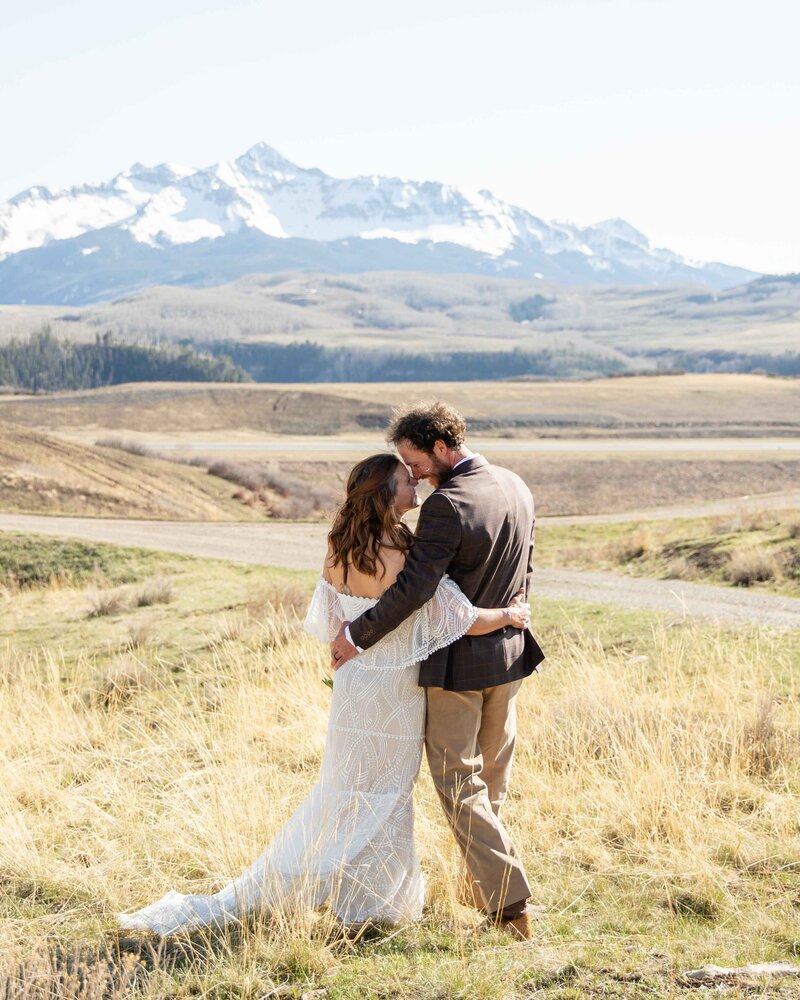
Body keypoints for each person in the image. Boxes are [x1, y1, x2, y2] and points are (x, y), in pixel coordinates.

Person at [118, 453, 530, 936]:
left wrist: (351, 653)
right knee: (389, 792)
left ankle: (350, 890)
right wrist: (508, 617)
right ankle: (372, 900)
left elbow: (331, 625)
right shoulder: (402, 549)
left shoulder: (339, 545)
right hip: (394, 689)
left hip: (354, 686)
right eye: (404, 480)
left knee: (347, 787)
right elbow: (453, 614)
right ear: (384, 494)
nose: (414, 484)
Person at [330, 403, 545, 940]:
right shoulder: (515, 485)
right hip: (510, 656)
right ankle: (484, 891)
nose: (415, 474)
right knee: (490, 779)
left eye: (415, 461)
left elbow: (417, 589)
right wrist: (512, 618)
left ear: (442, 447)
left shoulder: (447, 505)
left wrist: (356, 636)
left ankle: (510, 906)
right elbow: (526, 566)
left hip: (460, 668)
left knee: (457, 780)